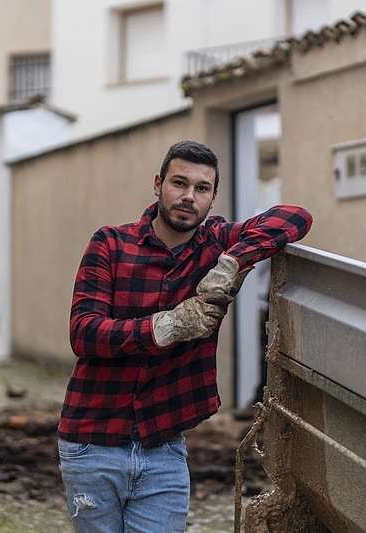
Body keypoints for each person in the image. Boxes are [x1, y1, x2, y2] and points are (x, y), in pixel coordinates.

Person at [58, 140, 312, 532]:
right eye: (179, 183)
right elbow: (84, 333)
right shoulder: (110, 244)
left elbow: (296, 217)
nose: (189, 196)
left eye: (202, 188)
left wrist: (233, 262)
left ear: (213, 197)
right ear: (158, 185)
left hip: (163, 446)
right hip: (92, 441)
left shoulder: (217, 244)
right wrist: (166, 326)